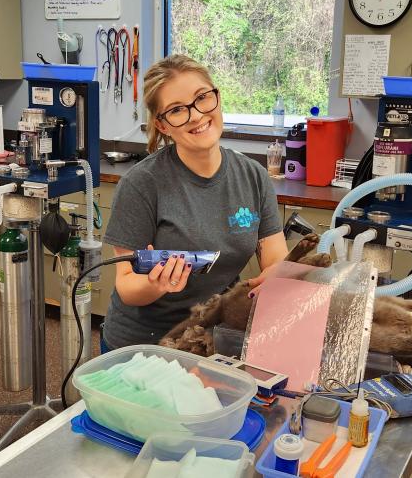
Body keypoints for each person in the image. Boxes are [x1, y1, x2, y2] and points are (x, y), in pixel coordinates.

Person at [101, 54, 289, 351]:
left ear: (217, 97)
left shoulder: (253, 176)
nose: (197, 115)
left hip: (213, 337)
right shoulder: (142, 184)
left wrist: (278, 277)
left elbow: (275, 259)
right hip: (144, 346)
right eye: (177, 110)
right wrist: (155, 283)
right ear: (162, 125)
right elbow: (126, 286)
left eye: (202, 98)